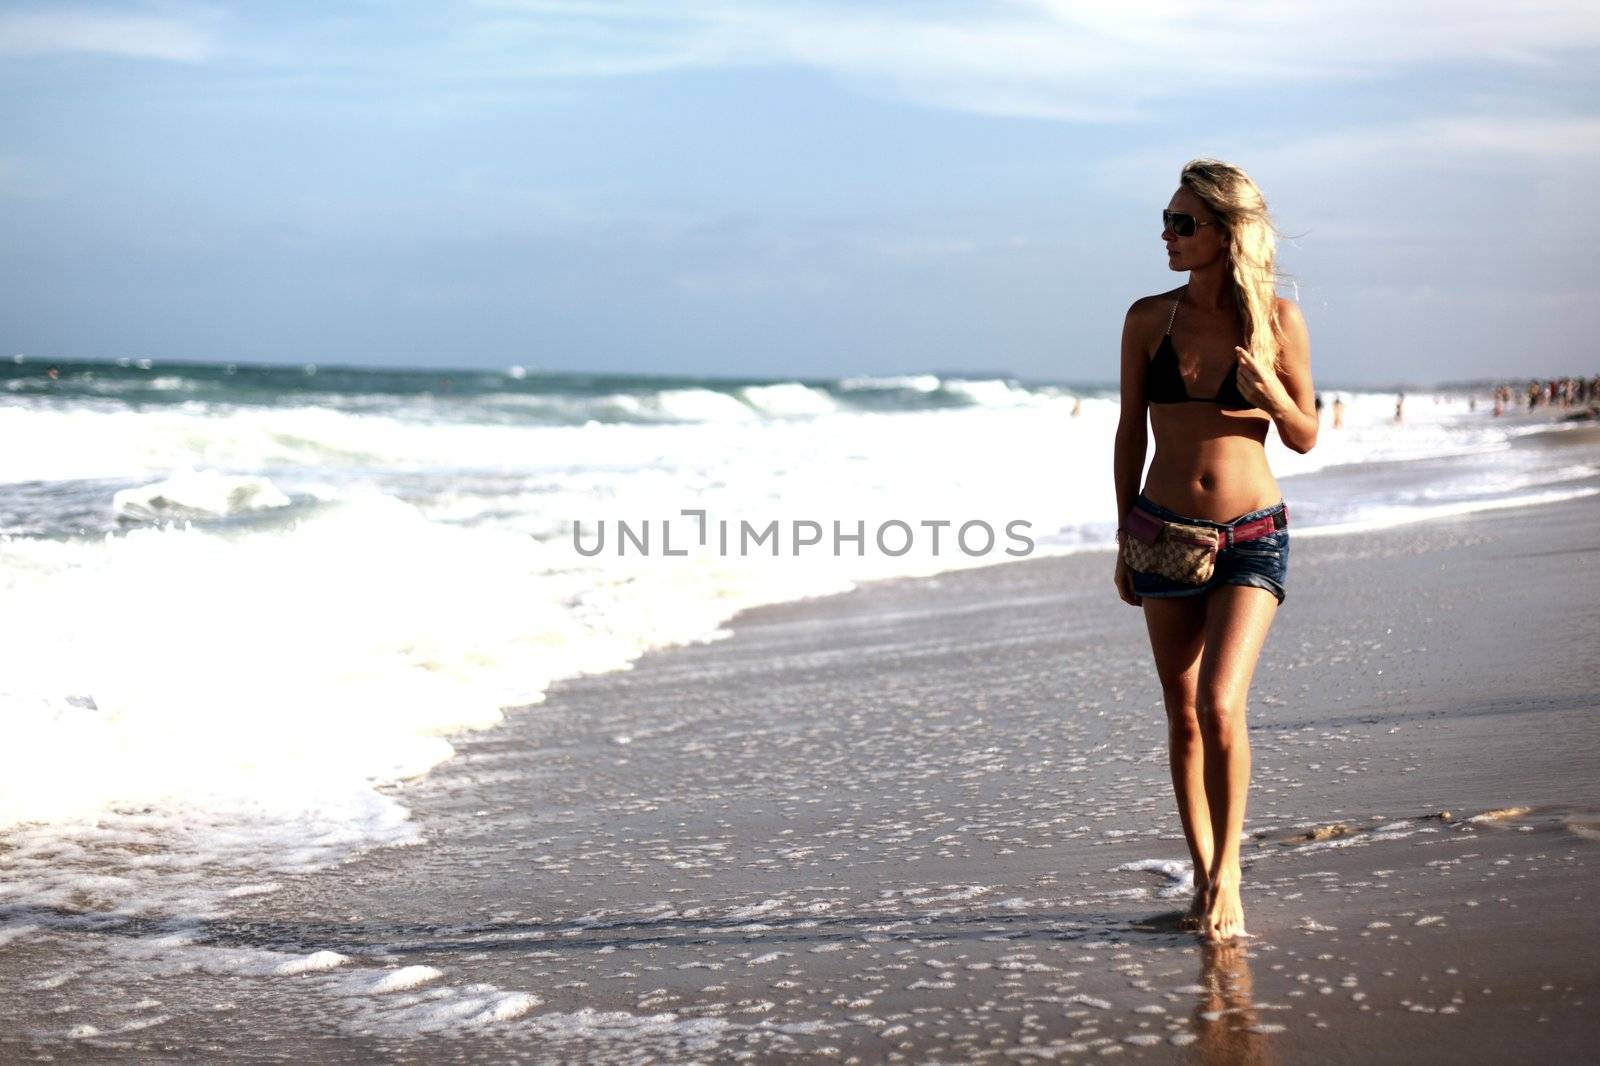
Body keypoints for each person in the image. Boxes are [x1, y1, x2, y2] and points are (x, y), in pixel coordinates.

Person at [1112, 159, 1317, 943]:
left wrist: (1269, 393)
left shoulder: (1278, 319)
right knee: (1183, 717)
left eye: (1183, 223)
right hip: (1162, 532)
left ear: (1227, 230)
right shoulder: (1146, 318)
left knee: (1219, 705)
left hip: (1253, 534)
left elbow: (1304, 436)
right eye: (1166, 221)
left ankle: (1229, 870)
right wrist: (1123, 535)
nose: (1167, 234)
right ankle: (1202, 871)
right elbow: (1131, 429)